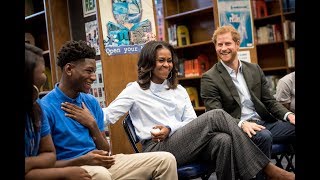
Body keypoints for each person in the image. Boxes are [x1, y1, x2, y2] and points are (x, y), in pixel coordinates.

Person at [101, 40, 295, 180]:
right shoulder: (134, 90)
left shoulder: (178, 90)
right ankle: (267, 168)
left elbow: (192, 123)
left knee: (223, 140)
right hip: (157, 148)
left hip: (185, 142)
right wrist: (84, 114)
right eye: (161, 60)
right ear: (149, 62)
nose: (167, 65)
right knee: (215, 115)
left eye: (169, 60)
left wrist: (170, 127)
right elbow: (107, 116)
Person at [39, 40, 178, 180]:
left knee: (166, 160)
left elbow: (105, 150)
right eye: (89, 71)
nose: (93, 77)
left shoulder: (90, 101)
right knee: (102, 175)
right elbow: (44, 166)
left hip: (102, 164)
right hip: (73, 168)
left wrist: (92, 124)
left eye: (94, 71)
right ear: (69, 69)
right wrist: (83, 160)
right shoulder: (45, 108)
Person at [200, 25, 295, 179]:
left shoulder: (254, 69)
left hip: (263, 121)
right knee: (263, 137)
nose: (223, 48)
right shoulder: (210, 78)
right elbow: (215, 114)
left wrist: (289, 115)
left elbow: (269, 101)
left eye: (228, 43)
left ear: (237, 44)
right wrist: (241, 124)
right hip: (236, 128)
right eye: (220, 44)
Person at [25, 43, 92, 179]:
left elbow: (49, 155)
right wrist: (67, 171)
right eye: (43, 72)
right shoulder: (46, 105)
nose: (45, 78)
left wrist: (92, 124)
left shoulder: (36, 106)